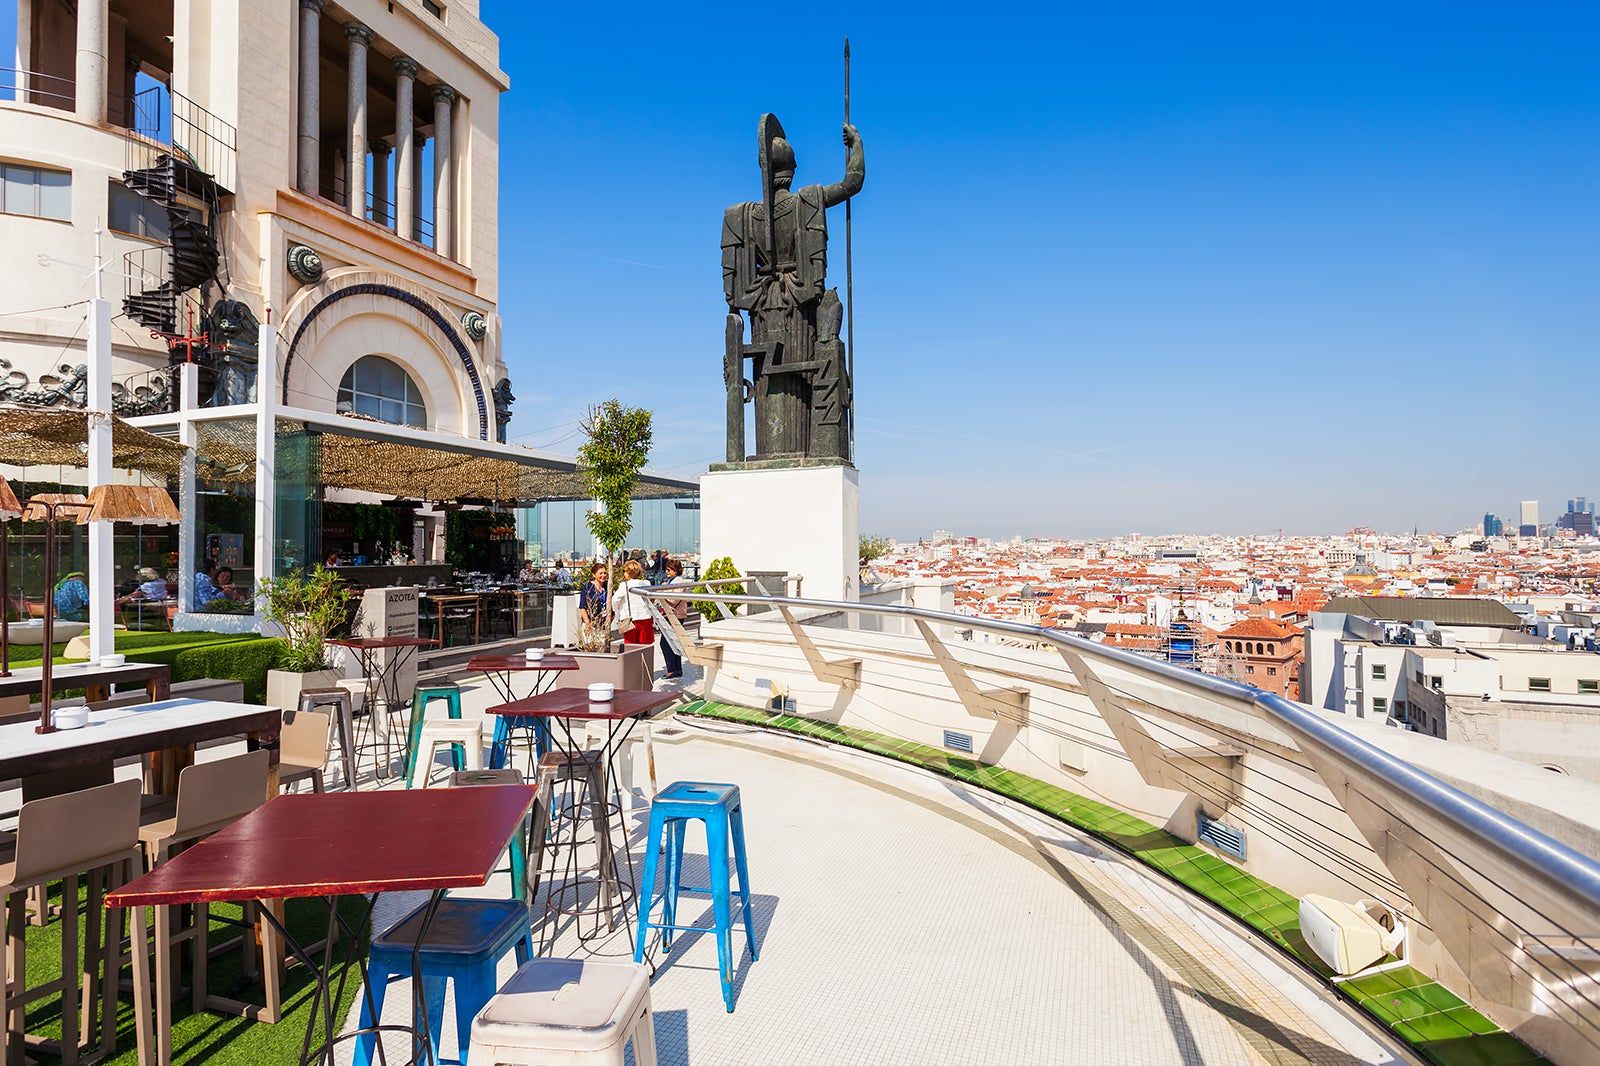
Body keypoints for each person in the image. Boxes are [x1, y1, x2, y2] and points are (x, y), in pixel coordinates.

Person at [658, 558, 688, 679]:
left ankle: (672, 669)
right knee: (674, 642)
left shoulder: (678, 582)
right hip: (672, 615)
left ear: (676, 570)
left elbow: (674, 600)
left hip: (676, 615)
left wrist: (661, 593)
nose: (667, 572)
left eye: (669, 570)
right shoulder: (672, 581)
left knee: (665, 643)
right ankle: (677, 669)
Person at [614, 559, 654, 646]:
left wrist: (617, 611)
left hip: (631, 620)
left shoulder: (624, 585)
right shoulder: (646, 583)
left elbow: (615, 600)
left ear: (628, 573)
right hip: (645, 617)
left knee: (631, 647)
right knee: (645, 647)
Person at [577, 562, 607, 631]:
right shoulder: (588, 587)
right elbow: (582, 606)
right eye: (600, 573)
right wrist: (587, 623)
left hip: (603, 623)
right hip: (591, 623)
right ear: (594, 575)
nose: (603, 575)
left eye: (604, 573)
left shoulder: (607, 586)